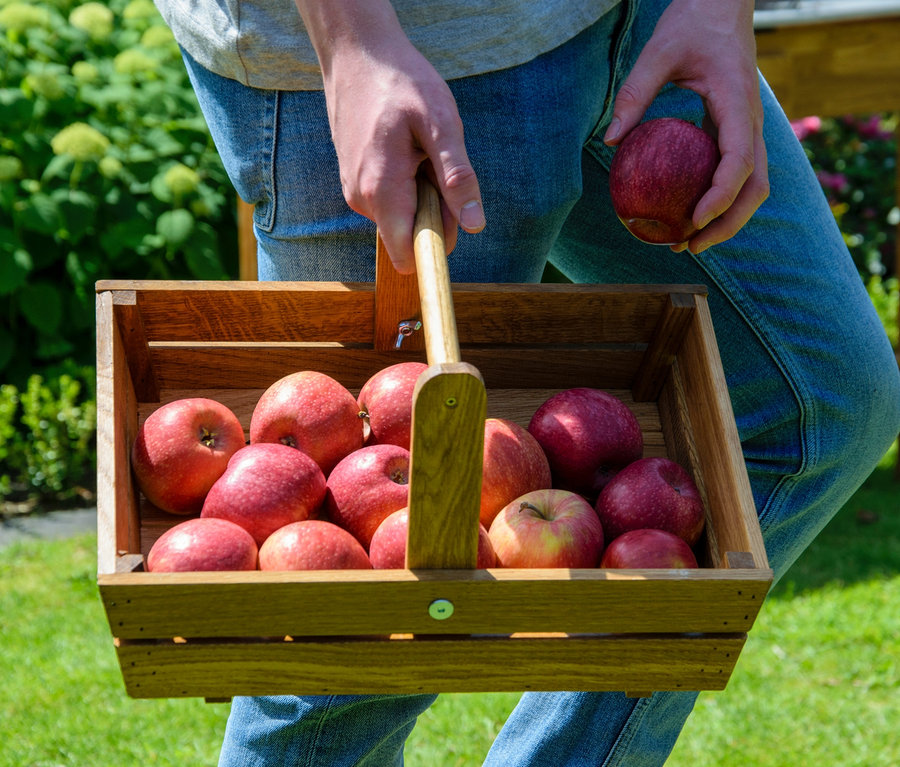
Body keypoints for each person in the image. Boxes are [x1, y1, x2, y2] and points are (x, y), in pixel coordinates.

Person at [153, 0, 900, 764]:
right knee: (347, 649)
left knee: (821, 396)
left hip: (636, 20)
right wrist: (355, 40)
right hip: (413, 42)